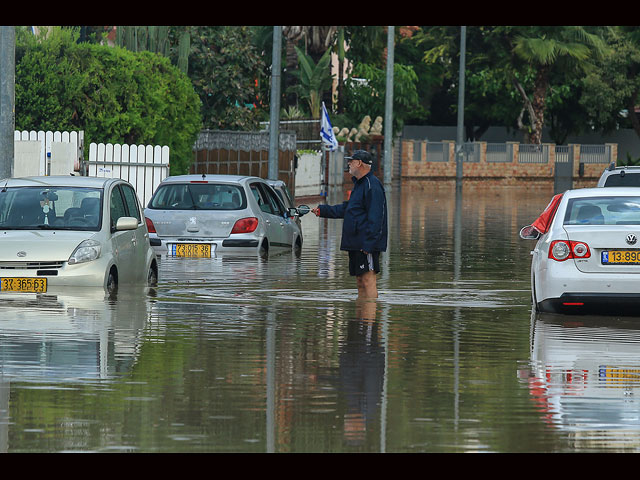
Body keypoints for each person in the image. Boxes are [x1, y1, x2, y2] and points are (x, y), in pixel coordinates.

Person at [311, 150, 388, 299]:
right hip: (355, 242)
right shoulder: (359, 185)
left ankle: (370, 321)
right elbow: (348, 209)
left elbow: (377, 217)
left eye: (351, 161)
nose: (348, 164)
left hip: (365, 243)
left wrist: (369, 244)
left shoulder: (373, 185)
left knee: (367, 280)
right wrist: (323, 211)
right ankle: (361, 319)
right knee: (360, 281)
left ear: (359, 163)